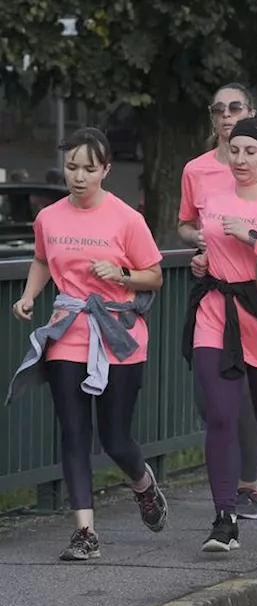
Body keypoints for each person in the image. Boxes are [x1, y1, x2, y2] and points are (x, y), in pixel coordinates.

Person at [7, 128, 168, 561]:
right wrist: (28, 297)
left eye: (89, 168)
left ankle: (142, 483)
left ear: (106, 171)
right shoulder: (50, 217)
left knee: (115, 438)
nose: (78, 176)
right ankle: (85, 532)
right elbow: (42, 258)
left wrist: (121, 276)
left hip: (118, 335)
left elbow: (153, 274)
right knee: (73, 432)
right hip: (68, 331)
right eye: (72, 167)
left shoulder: (126, 219)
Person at [178, 83, 257, 522]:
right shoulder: (213, 196)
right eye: (235, 151)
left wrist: (251, 238)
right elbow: (196, 232)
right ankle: (224, 516)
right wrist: (203, 259)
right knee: (221, 414)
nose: (240, 159)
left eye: (250, 152)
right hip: (215, 305)